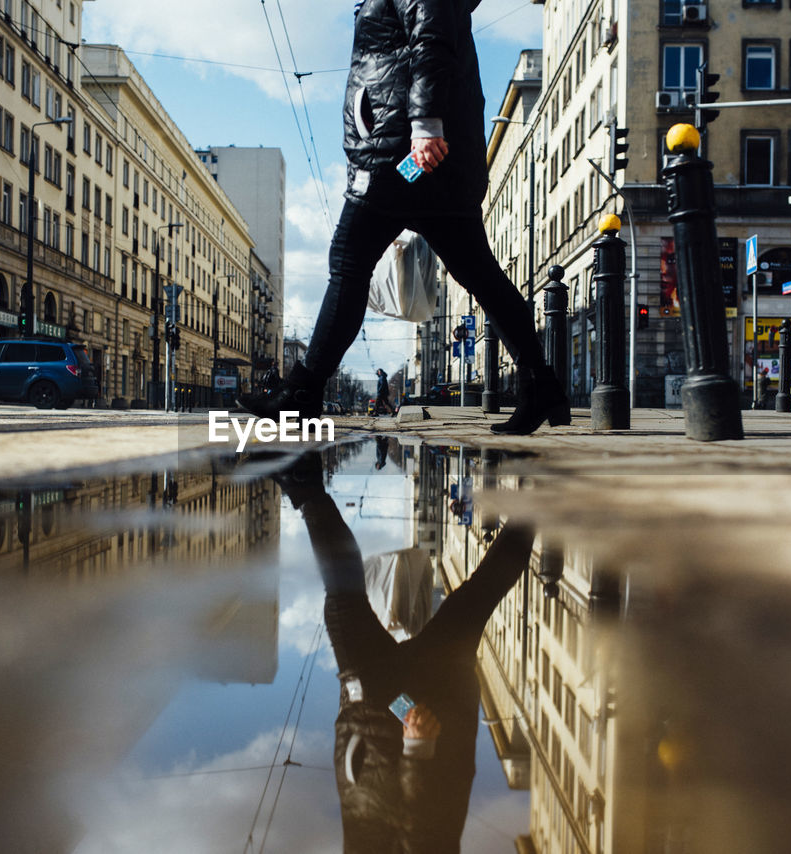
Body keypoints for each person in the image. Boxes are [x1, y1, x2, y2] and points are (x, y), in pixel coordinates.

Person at [240, 0, 568, 435]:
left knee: (349, 261)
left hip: (404, 154)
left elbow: (430, 40)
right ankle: (541, 385)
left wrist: (425, 124)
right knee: (480, 273)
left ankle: (302, 393)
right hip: (420, 156)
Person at [275, 451, 533, 851]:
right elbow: (421, 840)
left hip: (378, 704)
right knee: (472, 603)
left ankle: (302, 483)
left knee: (344, 601)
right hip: (428, 712)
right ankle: (542, 496)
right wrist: (417, 749)